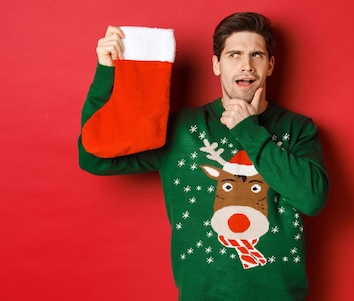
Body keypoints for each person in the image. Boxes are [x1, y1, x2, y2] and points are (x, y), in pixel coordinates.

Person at [78, 12, 329, 300]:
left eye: (256, 55)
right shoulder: (182, 129)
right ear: (216, 65)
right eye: (234, 55)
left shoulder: (298, 129)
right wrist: (106, 74)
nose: (246, 65)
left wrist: (249, 131)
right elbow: (93, 157)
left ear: (269, 65)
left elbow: (312, 199)